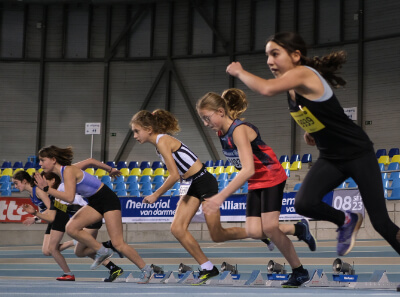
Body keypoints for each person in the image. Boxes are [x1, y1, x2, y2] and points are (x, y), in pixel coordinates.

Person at [225, 31, 400, 259]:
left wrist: (239, 71)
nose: (269, 61)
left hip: (358, 154)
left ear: (296, 55)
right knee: (304, 203)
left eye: (275, 54)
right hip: (331, 157)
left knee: (381, 223)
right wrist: (312, 131)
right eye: (267, 55)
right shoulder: (292, 88)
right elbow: (317, 112)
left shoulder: (304, 74)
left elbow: (266, 89)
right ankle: (347, 219)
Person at [197, 88, 312, 288]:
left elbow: (248, 169)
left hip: (271, 176)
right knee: (253, 231)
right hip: (256, 181)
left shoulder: (239, 130)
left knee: (269, 228)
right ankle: (298, 228)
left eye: (207, 118)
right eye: (203, 120)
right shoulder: (221, 133)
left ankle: (299, 271)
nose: (206, 124)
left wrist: (220, 197)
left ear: (221, 112)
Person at [33, 150, 154, 284]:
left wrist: (47, 190)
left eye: (43, 160)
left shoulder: (68, 171)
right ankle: (102, 250)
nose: (40, 164)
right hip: (94, 201)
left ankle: (146, 269)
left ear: (53, 159)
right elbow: (90, 161)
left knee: (118, 243)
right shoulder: (66, 171)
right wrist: (110, 169)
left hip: (107, 199)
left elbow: (69, 197)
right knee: (71, 228)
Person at [13, 171, 75, 280]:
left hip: (59, 215)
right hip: (53, 218)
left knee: (51, 249)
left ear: (24, 181)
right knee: (46, 251)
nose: (15, 186)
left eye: (16, 183)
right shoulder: (31, 193)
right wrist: (36, 217)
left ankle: (68, 273)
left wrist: (35, 218)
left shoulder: (37, 191)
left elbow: (51, 207)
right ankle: (74, 242)